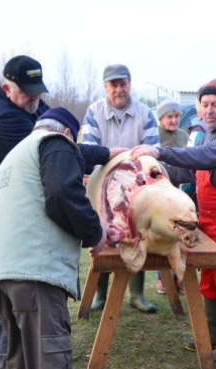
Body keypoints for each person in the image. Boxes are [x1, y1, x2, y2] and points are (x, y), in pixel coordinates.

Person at [0, 108, 113, 369]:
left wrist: (111, 152)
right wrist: (96, 233)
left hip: (0, 264)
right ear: (69, 133)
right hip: (34, 266)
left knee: (21, 346)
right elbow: (61, 195)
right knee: (50, 354)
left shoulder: (19, 151)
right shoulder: (56, 144)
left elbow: (80, 160)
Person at [0, 55, 113, 369]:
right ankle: (11, 366)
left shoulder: (31, 106)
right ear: (7, 88)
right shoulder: (5, 120)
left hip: (16, 210)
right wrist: (108, 153)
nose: (36, 98)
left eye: (39, 91)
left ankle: (24, 366)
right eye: (27, 92)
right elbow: (56, 153)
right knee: (5, 291)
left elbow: (63, 141)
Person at [131, 79, 216, 362]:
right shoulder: (210, 134)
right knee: (209, 280)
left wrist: (160, 151)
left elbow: (203, 157)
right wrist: (155, 173)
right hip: (209, 220)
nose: (209, 110)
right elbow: (191, 170)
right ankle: (212, 335)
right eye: (204, 104)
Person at [81, 64, 160, 313]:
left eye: (122, 83)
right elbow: (88, 150)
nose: (119, 89)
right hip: (102, 188)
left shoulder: (146, 114)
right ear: (106, 87)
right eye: (113, 85)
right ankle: (100, 294)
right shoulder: (93, 113)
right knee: (101, 235)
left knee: (136, 235)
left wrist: (130, 175)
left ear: (130, 83)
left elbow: (151, 154)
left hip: (137, 188)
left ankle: (137, 294)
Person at [155, 98, 191, 295]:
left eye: (176, 116)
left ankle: (180, 278)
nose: (174, 120)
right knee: (164, 235)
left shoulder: (184, 136)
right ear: (161, 119)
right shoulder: (155, 136)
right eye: (169, 117)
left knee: (181, 235)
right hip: (161, 194)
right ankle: (163, 278)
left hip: (180, 193)